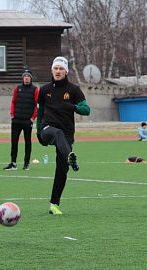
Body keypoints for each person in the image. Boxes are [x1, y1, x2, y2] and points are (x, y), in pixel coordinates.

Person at [36, 56, 91, 215]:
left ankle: (54, 205)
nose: (58, 71)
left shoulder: (74, 90)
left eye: (61, 68)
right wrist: (38, 131)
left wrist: (73, 107)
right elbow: (40, 112)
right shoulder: (44, 90)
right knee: (56, 133)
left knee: (62, 170)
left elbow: (86, 110)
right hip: (47, 129)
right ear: (52, 70)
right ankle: (70, 156)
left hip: (66, 133)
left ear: (66, 71)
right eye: (56, 68)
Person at [4, 68, 39, 170]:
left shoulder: (35, 90)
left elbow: (37, 105)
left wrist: (32, 118)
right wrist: (12, 114)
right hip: (16, 120)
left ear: (31, 78)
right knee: (14, 142)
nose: (26, 78)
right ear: (22, 78)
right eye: (25, 76)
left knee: (28, 142)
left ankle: (26, 163)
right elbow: (13, 102)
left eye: (28, 76)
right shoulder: (17, 88)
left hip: (28, 121)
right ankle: (13, 163)